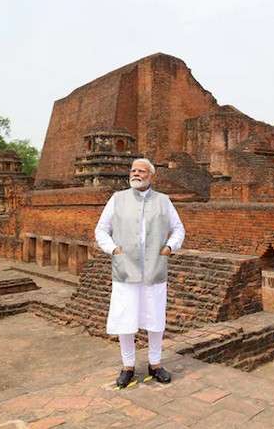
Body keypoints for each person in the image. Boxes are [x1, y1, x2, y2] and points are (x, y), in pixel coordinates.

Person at [94, 158, 185, 388]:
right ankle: (128, 366)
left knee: (155, 319)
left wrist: (170, 247)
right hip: (126, 269)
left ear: (150, 175)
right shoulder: (118, 199)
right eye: (133, 170)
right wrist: (113, 249)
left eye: (141, 171)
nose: (136, 173)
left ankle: (155, 364)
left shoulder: (163, 201)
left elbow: (178, 228)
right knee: (126, 318)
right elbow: (101, 230)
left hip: (155, 268)